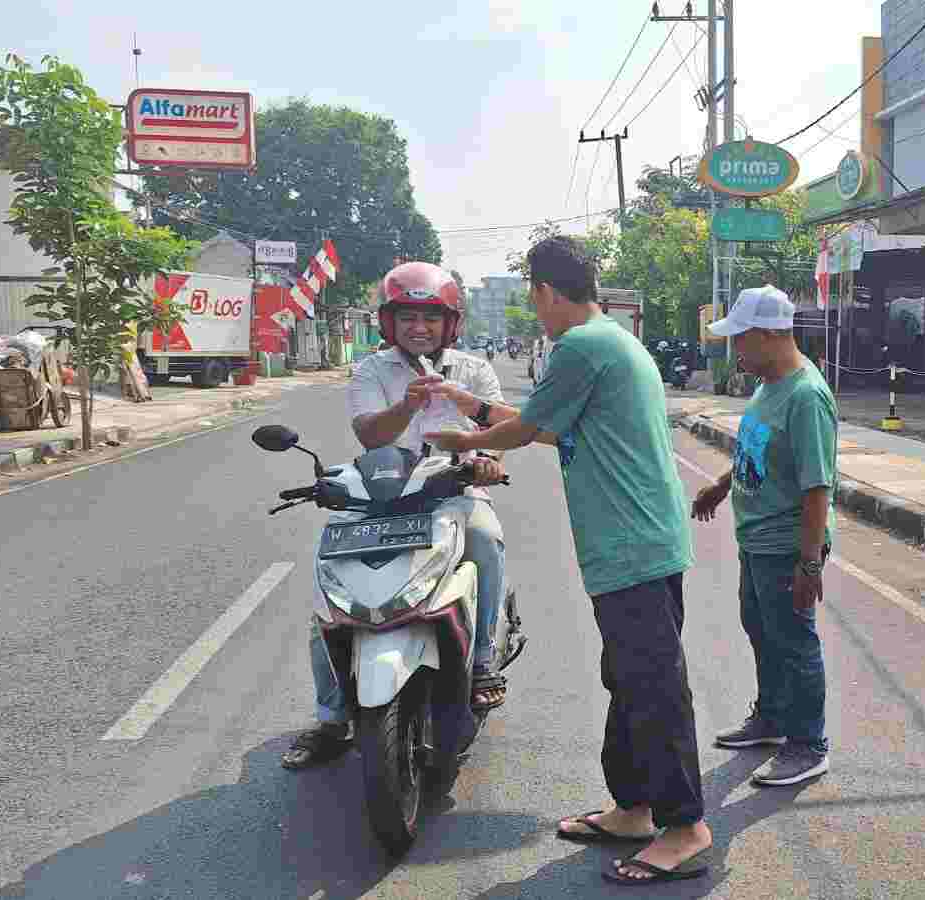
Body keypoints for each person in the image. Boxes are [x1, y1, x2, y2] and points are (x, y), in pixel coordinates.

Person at [422, 235, 711, 885]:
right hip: (642, 539)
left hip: (631, 541)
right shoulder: (611, 340)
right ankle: (634, 808)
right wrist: (471, 404)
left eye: (533, 296)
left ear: (548, 291)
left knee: (654, 688)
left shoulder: (580, 346)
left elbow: (525, 433)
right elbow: (554, 424)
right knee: (630, 678)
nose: (535, 308)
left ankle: (685, 826)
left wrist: (465, 438)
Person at [281, 262, 512, 771]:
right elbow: (370, 436)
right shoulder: (372, 371)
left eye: (430, 318)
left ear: (450, 324)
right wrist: (406, 407)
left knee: (486, 540)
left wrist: (486, 461)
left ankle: (481, 664)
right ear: (389, 322)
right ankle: (331, 717)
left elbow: (497, 431)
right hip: (382, 499)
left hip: (452, 492)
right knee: (331, 596)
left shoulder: (474, 370)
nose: (419, 328)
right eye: (407, 316)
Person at [692, 285, 837, 788]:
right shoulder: (766, 384)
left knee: (794, 641)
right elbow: (757, 453)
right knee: (760, 627)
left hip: (788, 542)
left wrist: (810, 561)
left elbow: (818, 486)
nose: (736, 349)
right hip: (755, 535)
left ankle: (808, 743)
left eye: (741, 338)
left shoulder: (805, 395)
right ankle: (772, 718)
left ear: (772, 335)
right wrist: (719, 485)